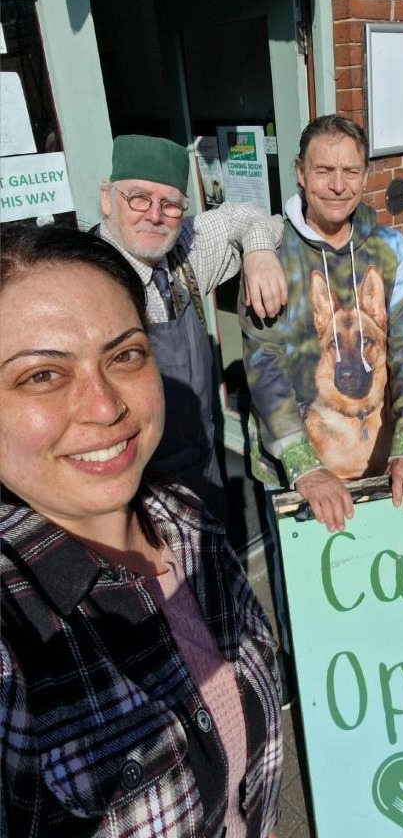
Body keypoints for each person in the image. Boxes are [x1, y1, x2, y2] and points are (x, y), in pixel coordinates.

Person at [0, 226, 282, 837]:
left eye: (125, 355)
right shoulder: (16, 632)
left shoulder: (188, 520)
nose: (105, 407)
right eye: (42, 375)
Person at [239, 115, 403, 702]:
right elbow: (263, 363)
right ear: (299, 173)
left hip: (375, 460)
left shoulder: (390, 248)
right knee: (303, 593)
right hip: (297, 465)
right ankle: (308, 687)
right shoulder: (270, 252)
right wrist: (305, 467)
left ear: (366, 175)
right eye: (323, 169)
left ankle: (376, 682)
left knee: (373, 584)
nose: (338, 184)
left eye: (351, 170)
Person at [96, 134, 286, 514]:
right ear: (107, 199)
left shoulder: (184, 250)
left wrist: (260, 253)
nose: (154, 215)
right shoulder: (87, 277)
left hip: (204, 469)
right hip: (135, 493)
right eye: (139, 198)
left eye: (169, 204)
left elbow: (247, 215)